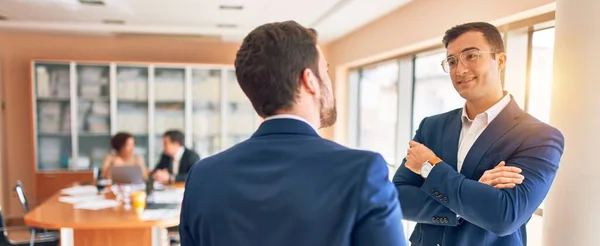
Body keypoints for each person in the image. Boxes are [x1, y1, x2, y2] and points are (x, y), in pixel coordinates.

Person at [180, 20, 406, 246]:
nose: (329, 81)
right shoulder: (363, 172)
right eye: (325, 71)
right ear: (310, 81)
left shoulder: (203, 175)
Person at [393, 22, 565, 246]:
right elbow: (397, 198)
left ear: (500, 60)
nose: (460, 70)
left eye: (471, 56)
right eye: (452, 61)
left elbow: (505, 216)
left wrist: (430, 167)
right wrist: (470, 199)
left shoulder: (540, 137)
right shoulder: (431, 126)